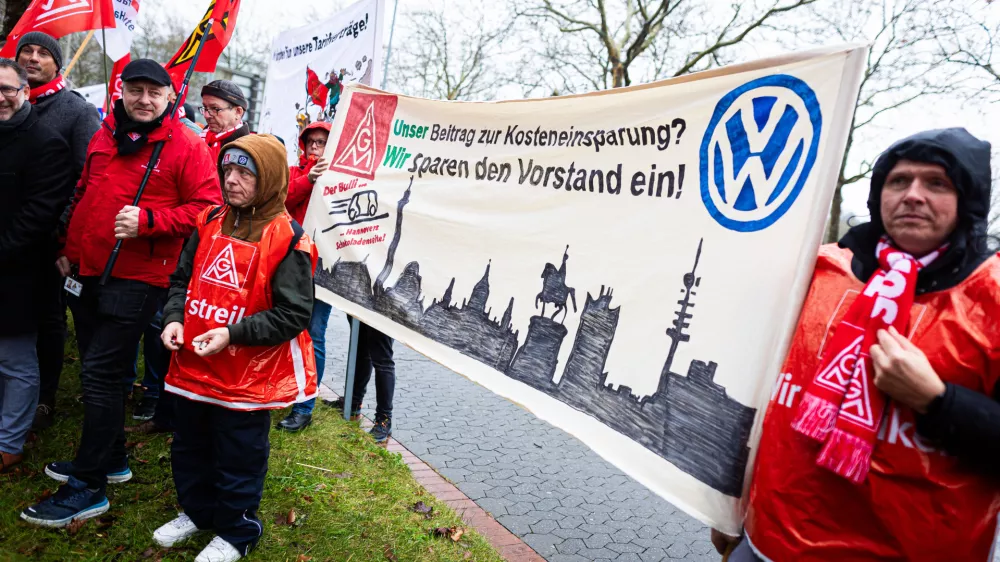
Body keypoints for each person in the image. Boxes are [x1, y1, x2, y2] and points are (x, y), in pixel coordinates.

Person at [714, 128, 1000, 561]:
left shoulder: (992, 297)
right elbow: (756, 392)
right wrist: (724, 503)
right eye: (898, 180)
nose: (913, 195)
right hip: (767, 543)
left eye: (937, 183)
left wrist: (938, 403)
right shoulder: (822, 268)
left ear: (969, 200)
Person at [20, 59, 221, 528]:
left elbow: (208, 210)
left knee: (101, 376)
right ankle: (112, 461)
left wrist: (150, 221)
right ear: (122, 91)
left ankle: (88, 486)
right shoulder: (106, 132)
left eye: (155, 92)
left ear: (170, 97)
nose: (144, 100)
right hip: (86, 272)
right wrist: (69, 249)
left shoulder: (187, 144)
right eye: (136, 90)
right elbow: (86, 192)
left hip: (140, 279)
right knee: (99, 371)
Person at [152, 135, 317, 562]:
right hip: (193, 365)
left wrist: (233, 333)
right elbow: (181, 281)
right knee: (189, 444)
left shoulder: (289, 239)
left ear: (269, 179)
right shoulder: (208, 219)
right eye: (227, 170)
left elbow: (293, 314)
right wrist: (173, 318)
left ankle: (236, 530)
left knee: (237, 455)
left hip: (246, 377)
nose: (231, 180)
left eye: (245, 173)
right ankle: (198, 511)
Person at [14, 31, 101, 431]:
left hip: (50, 240)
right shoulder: (6, 105)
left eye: (42, 54)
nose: (32, 59)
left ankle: (43, 398)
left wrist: (64, 235)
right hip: (9, 237)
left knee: (47, 320)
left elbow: (89, 178)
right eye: (26, 52)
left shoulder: (75, 111)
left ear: (57, 65)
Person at [0, 58, 73, 472]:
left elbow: (40, 214)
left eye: (8, 89)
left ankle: (9, 441)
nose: (1, 98)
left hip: (20, 273)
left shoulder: (45, 142)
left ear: (26, 92)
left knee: (15, 360)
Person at [276, 121, 331, 432]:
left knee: (314, 336)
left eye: (321, 142)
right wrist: (308, 179)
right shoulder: (295, 173)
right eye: (310, 141)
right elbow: (281, 202)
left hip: (324, 271)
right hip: (293, 265)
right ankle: (284, 389)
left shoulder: (340, 177)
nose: (314, 147)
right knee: (285, 330)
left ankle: (305, 405)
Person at [200, 79, 250, 161]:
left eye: (215, 109)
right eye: (205, 108)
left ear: (238, 112)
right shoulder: (198, 138)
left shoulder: (247, 151)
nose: (206, 115)